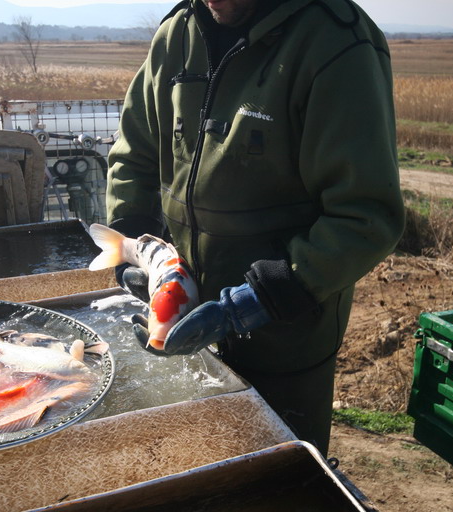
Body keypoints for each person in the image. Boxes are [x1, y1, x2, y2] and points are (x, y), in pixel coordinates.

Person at [105, 0, 405, 456]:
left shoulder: (336, 42)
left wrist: (252, 303)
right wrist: (132, 242)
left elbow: (365, 217)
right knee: (195, 463)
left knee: (275, 475)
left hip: (286, 338)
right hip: (184, 313)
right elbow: (134, 155)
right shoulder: (177, 34)